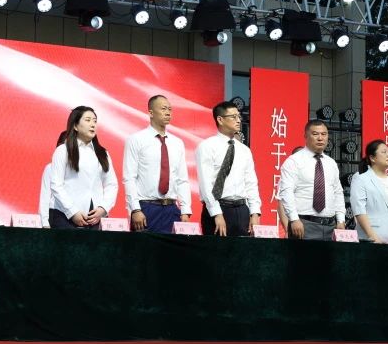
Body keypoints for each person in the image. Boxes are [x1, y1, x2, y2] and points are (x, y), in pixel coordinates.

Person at [122, 95, 192, 233]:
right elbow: (129, 178)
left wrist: (185, 210)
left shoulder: (177, 143)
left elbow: (182, 180)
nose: (168, 113)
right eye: (163, 109)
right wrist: (135, 209)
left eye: (170, 109)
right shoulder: (136, 139)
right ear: (151, 112)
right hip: (146, 208)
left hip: (172, 209)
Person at [196, 101, 262, 237]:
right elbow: (206, 184)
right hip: (218, 208)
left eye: (239, 116)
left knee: (242, 250)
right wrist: (216, 213)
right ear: (220, 120)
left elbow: (251, 183)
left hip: (242, 209)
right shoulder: (207, 146)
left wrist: (255, 213)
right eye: (233, 117)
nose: (238, 120)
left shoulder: (244, 150)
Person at [49, 106, 118, 229]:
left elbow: (111, 184)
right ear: (75, 126)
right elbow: (56, 184)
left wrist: (103, 208)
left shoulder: (102, 153)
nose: (93, 124)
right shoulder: (63, 150)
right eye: (88, 120)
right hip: (65, 216)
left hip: (95, 216)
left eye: (95, 121)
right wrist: (72, 211)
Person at [278, 120, 346, 240]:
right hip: (303, 224)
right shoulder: (294, 161)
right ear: (306, 136)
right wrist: (294, 219)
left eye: (324, 134)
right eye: (315, 134)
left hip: (331, 226)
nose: (320, 138)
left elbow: (338, 193)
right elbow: (286, 192)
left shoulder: (331, 163)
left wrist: (341, 220)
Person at [350, 140, 388, 244]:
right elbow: (359, 210)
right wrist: (372, 237)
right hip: (370, 240)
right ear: (372, 158)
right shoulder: (361, 178)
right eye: (384, 152)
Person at [39, 131, 68, 228]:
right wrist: (45, 223)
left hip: (74, 216)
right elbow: (45, 196)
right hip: (54, 213)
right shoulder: (51, 168)